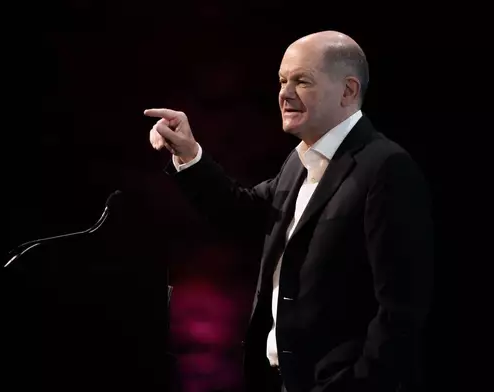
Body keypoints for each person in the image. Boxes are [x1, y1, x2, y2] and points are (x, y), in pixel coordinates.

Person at [144, 31, 434, 392]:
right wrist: (189, 156)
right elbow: (244, 216)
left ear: (348, 91)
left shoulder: (386, 169)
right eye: (282, 80)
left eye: (302, 81)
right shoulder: (298, 163)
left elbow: (400, 312)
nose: (284, 93)